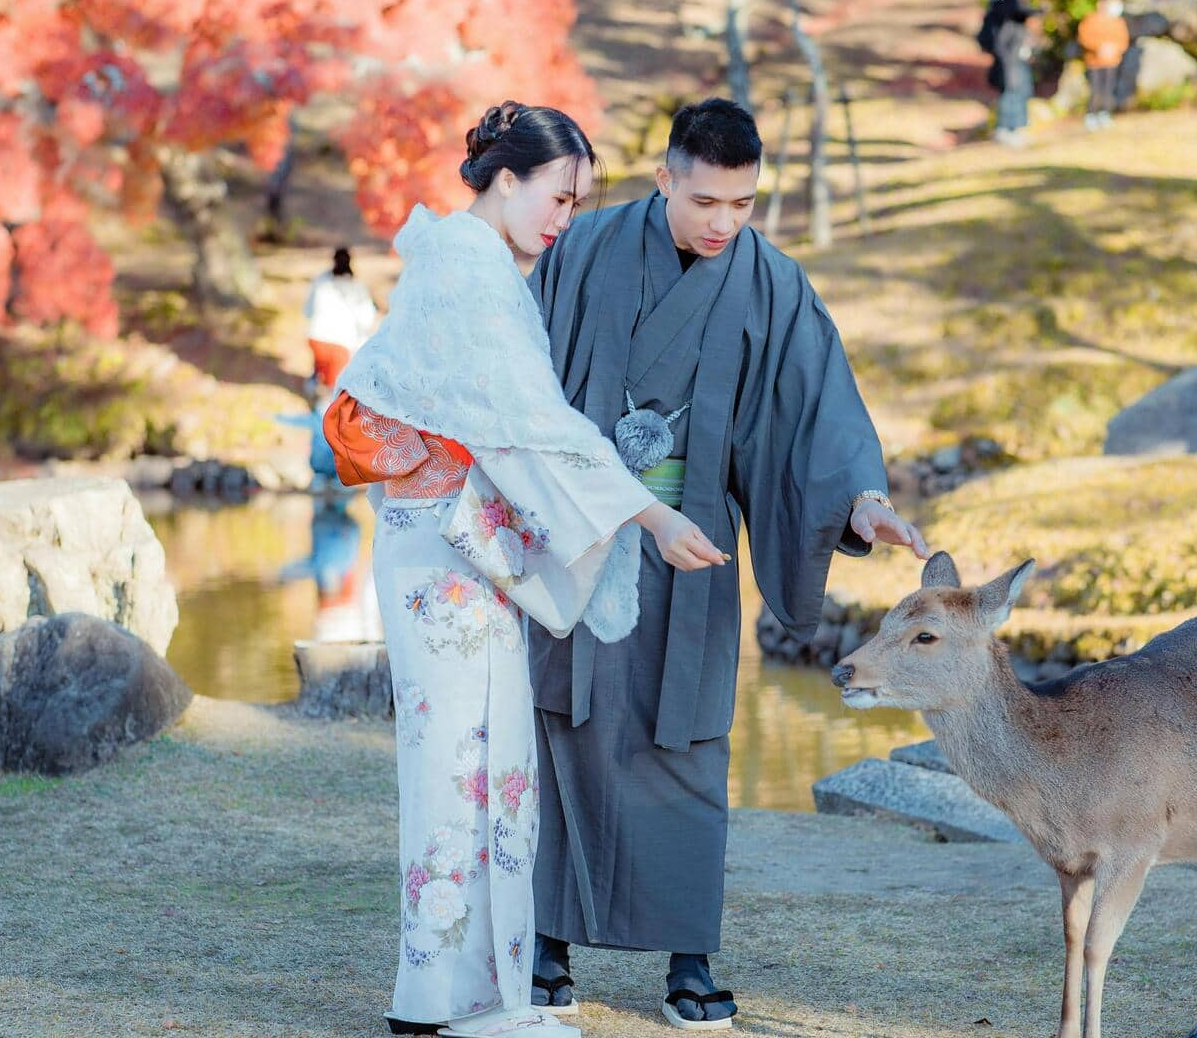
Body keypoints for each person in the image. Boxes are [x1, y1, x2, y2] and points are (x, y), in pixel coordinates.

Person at [523, 98, 930, 1031]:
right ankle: (546, 940)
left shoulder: (774, 285)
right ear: (664, 178)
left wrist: (860, 502)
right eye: (705, 199)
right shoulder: (578, 255)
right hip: (579, 532)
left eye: (742, 204)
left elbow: (815, 414)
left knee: (689, 739)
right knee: (562, 726)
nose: (722, 223)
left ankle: (690, 960)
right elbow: (524, 391)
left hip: (694, 545)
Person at [324, 101, 725, 1038]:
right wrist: (652, 512)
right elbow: (537, 428)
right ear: (506, 179)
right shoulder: (469, 273)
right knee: (466, 766)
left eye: (577, 205)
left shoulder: (467, 266)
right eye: (557, 196)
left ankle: (467, 996)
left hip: (451, 552)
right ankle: (439, 1001)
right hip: (446, 554)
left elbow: (515, 428)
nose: (563, 220)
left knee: (483, 764)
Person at [977, 0, 1039, 146]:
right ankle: (1005, 129)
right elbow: (1019, 11)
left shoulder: (1005, 1)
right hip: (1008, 55)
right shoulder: (1003, 1)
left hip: (1016, 54)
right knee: (1010, 91)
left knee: (1020, 90)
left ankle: (1016, 127)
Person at [304, 246, 378, 397]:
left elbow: (308, 311)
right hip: (340, 345)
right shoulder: (357, 287)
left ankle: (316, 381)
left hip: (316, 339)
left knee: (323, 370)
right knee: (334, 390)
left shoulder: (321, 280)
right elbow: (367, 320)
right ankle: (322, 406)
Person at [1078, 0, 1131, 131]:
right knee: (1096, 90)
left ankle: (1104, 113)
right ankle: (1091, 115)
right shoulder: (1091, 20)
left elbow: (1123, 40)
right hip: (1094, 62)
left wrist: (1114, 49)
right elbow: (1085, 37)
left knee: (1108, 89)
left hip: (1112, 62)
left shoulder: (1118, 22)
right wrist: (1099, 47)